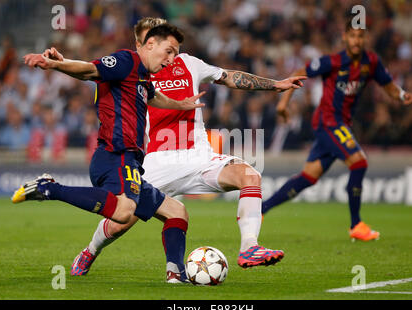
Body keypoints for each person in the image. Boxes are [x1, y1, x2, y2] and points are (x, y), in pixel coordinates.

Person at [70, 17, 307, 280]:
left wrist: (275, 84)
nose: (165, 48)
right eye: (155, 38)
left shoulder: (190, 64)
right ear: (144, 44)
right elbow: (93, 76)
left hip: (199, 157)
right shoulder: (134, 73)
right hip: (155, 161)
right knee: (120, 222)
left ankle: (248, 247)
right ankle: (90, 251)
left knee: (250, 175)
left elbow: (229, 77)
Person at [12, 24, 206, 283]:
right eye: (168, 51)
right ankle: (50, 188)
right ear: (150, 45)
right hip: (116, 154)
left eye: (175, 54)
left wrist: (180, 104)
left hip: (131, 162)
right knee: (124, 212)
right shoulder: (126, 61)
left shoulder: (142, 77)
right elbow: (91, 70)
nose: (171, 60)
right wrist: (55, 65)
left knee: (177, 212)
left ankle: (175, 273)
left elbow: (153, 97)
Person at [262, 21, 412, 241]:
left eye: (361, 36)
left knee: (308, 177)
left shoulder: (371, 62)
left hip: (341, 124)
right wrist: (283, 104)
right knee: (359, 162)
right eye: (352, 36)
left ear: (366, 39)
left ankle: (260, 209)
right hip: (328, 123)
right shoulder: (332, 62)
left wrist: (402, 95)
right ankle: (356, 225)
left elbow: (388, 85)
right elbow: (299, 72)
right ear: (344, 37)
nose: (357, 40)